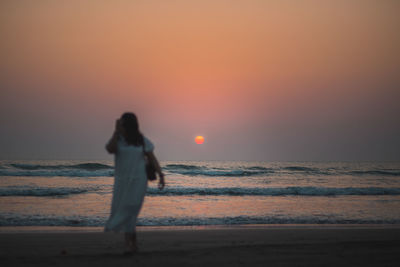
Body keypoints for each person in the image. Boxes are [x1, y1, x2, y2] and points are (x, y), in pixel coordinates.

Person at [104, 112, 165, 254]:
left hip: (139, 181)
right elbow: (110, 149)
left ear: (130, 124)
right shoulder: (118, 139)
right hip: (122, 182)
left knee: (131, 210)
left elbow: (152, 158)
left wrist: (161, 175)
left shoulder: (142, 140)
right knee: (126, 210)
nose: (122, 125)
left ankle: (129, 244)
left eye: (124, 123)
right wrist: (115, 132)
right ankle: (133, 244)